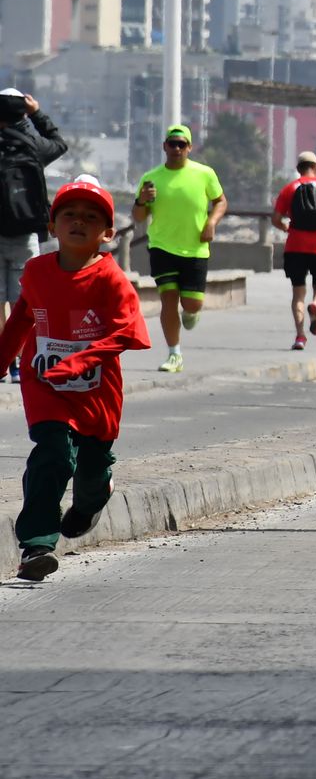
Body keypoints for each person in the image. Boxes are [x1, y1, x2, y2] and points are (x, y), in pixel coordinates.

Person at [1, 176, 150, 581]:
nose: (79, 221)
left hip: (97, 391)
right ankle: (37, 545)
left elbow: (129, 332)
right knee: (53, 455)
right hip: (45, 384)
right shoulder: (36, 270)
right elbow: (24, 316)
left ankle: (93, 498)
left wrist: (78, 363)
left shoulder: (110, 278)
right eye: (69, 214)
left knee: (91, 467)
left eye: (91, 217)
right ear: (52, 226)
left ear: (108, 233)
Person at [132, 124, 226, 374]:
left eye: (181, 144)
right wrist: (142, 200)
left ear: (189, 147)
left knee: (192, 304)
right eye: (172, 144)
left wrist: (211, 222)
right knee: (168, 299)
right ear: (164, 146)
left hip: (195, 249)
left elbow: (220, 201)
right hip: (162, 247)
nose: (176, 148)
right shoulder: (151, 178)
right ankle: (174, 354)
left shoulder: (204, 174)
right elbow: (139, 217)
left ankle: (191, 313)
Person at [0, 89, 69, 381]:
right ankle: (19, 364)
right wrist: (37, 113)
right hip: (26, 231)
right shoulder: (32, 145)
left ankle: (1, 362)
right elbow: (59, 143)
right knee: (23, 303)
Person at [272, 151, 316, 351]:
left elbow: (276, 218)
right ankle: (315, 304)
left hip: (295, 247)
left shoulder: (289, 189)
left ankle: (300, 336)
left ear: (298, 169)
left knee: (298, 294)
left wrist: (286, 228)